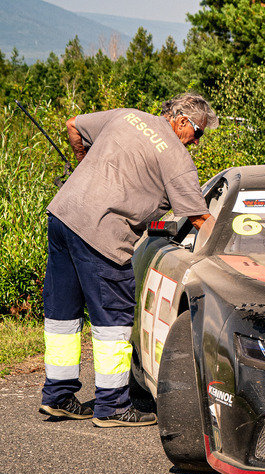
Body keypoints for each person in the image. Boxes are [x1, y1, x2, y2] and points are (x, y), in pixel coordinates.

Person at [39, 93, 218, 427]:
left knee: (62, 313)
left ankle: (58, 396)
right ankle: (112, 406)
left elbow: (73, 126)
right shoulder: (176, 158)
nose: (196, 141)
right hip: (102, 234)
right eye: (198, 132)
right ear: (181, 121)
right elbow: (198, 217)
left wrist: (82, 162)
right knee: (114, 319)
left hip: (63, 217)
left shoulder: (127, 116)